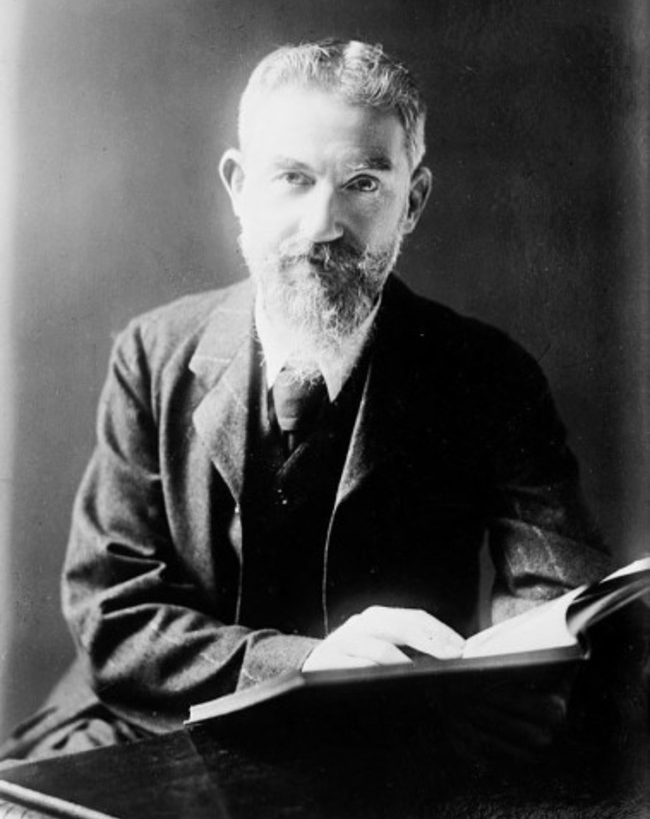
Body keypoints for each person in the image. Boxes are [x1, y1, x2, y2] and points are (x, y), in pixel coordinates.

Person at [0, 39, 613, 763]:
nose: (322, 225)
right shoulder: (151, 353)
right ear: (238, 186)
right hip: (160, 723)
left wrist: (500, 680)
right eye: (293, 177)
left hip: (392, 735)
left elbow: (563, 605)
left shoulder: (491, 377)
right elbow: (113, 619)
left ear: (411, 202)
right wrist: (303, 663)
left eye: (362, 184)